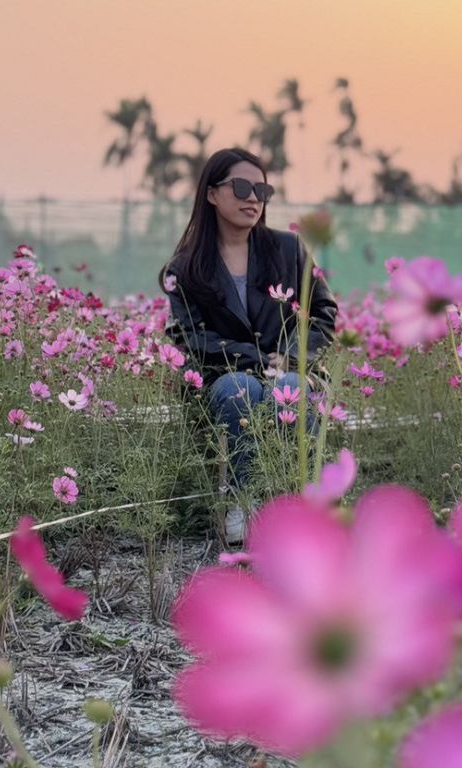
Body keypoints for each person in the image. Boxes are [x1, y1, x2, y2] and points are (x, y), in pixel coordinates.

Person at [159, 147, 338, 542]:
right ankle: (243, 501)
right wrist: (258, 359)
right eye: (241, 187)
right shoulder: (186, 268)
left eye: (262, 189)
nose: (253, 198)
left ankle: (300, 506)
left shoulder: (288, 250)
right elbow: (191, 336)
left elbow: (323, 311)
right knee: (241, 388)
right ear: (211, 194)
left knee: (289, 389)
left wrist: (291, 357)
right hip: (223, 378)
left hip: (291, 369)